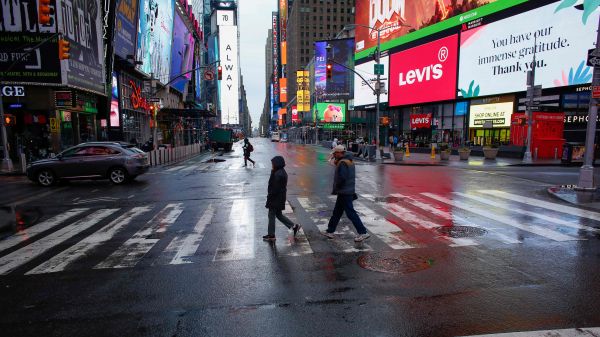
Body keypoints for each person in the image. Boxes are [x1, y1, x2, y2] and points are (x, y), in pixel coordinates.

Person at [321, 145, 370, 242]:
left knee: (350, 213)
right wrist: (334, 159)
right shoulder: (348, 160)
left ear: (340, 153)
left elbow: (342, 177)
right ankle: (330, 231)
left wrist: (337, 187)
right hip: (347, 190)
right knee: (337, 212)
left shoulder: (343, 163)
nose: (334, 155)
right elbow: (338, 165)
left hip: (344, 191)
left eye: (335, 153)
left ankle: (363, 232)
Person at [263, 156, 301, 241]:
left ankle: (271, 235)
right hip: (280, 197)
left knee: (271, 215)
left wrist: (270, 198)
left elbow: (274, 188)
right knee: (278, 215)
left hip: (275, 198)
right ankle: (294, 226)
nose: (272, 165)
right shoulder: (280, 172)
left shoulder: (278, 174)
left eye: (273, 163)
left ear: (277, 164)